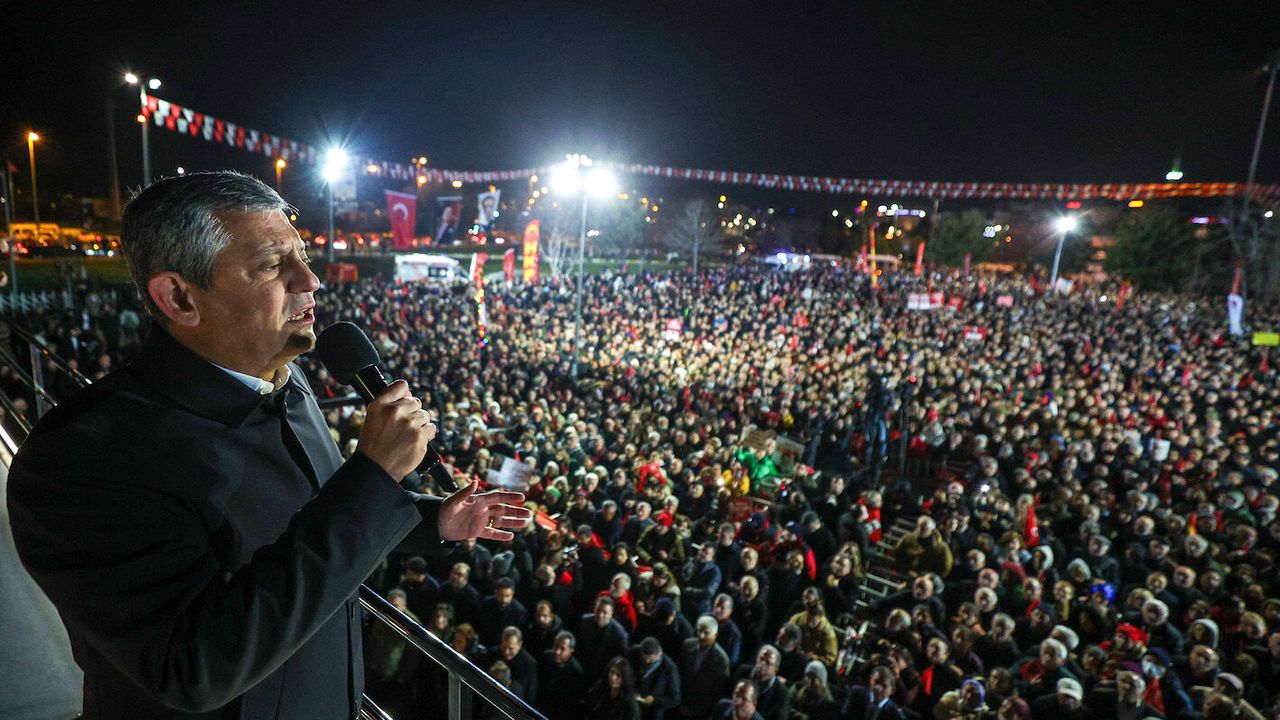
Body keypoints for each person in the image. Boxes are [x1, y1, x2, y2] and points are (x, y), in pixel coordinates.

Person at [6, 172, 533, 719]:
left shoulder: (286, 379)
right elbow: (193, 669)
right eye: (271, 265)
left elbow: (308, 517)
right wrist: (373, 475)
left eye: (301, 256)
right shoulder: (81, 458)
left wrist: (430, 521)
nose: (311, 280)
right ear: (180, 297)